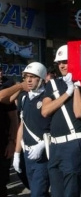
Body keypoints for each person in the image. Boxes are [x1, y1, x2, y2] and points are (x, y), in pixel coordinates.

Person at [41, 45, 81, 197]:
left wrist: (76, 87)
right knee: (57, 192)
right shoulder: (53, 84)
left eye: (66, 61)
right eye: (59, 62)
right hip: (55, 144)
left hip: (73, 143)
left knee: (71, 191)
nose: (62, 65)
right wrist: (67, 92)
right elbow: (45, 111)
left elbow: (79, 112)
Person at [12, 62, 51, 197]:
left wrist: (42, 145)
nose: (28, 80)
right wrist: (17, 153)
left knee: (38, 193)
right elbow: (22, 126)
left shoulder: (48, 97)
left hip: (43, 155)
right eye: (26, 77)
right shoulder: (23, 97)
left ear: (40, 78)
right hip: (27, 155)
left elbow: (56, 126)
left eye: (32, 77)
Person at [0, 63, 19, 197]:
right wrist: (19, 86)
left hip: (2, 143)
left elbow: (13, 118)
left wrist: (12, 142)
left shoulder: (6, 91)